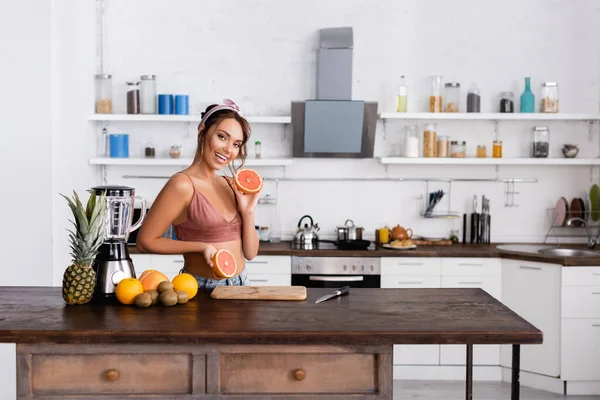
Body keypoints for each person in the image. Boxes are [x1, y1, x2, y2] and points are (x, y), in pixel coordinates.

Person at [136, 99, 260, 291]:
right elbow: (145, 242)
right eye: (222, 137)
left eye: (236, 144)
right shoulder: (182, 185)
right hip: (202, 287)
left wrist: (248, 212)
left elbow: (251, 253)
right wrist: (201, 247)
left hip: (242, 284)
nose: (229, 149)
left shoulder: (229, 183)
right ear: (202, 130)